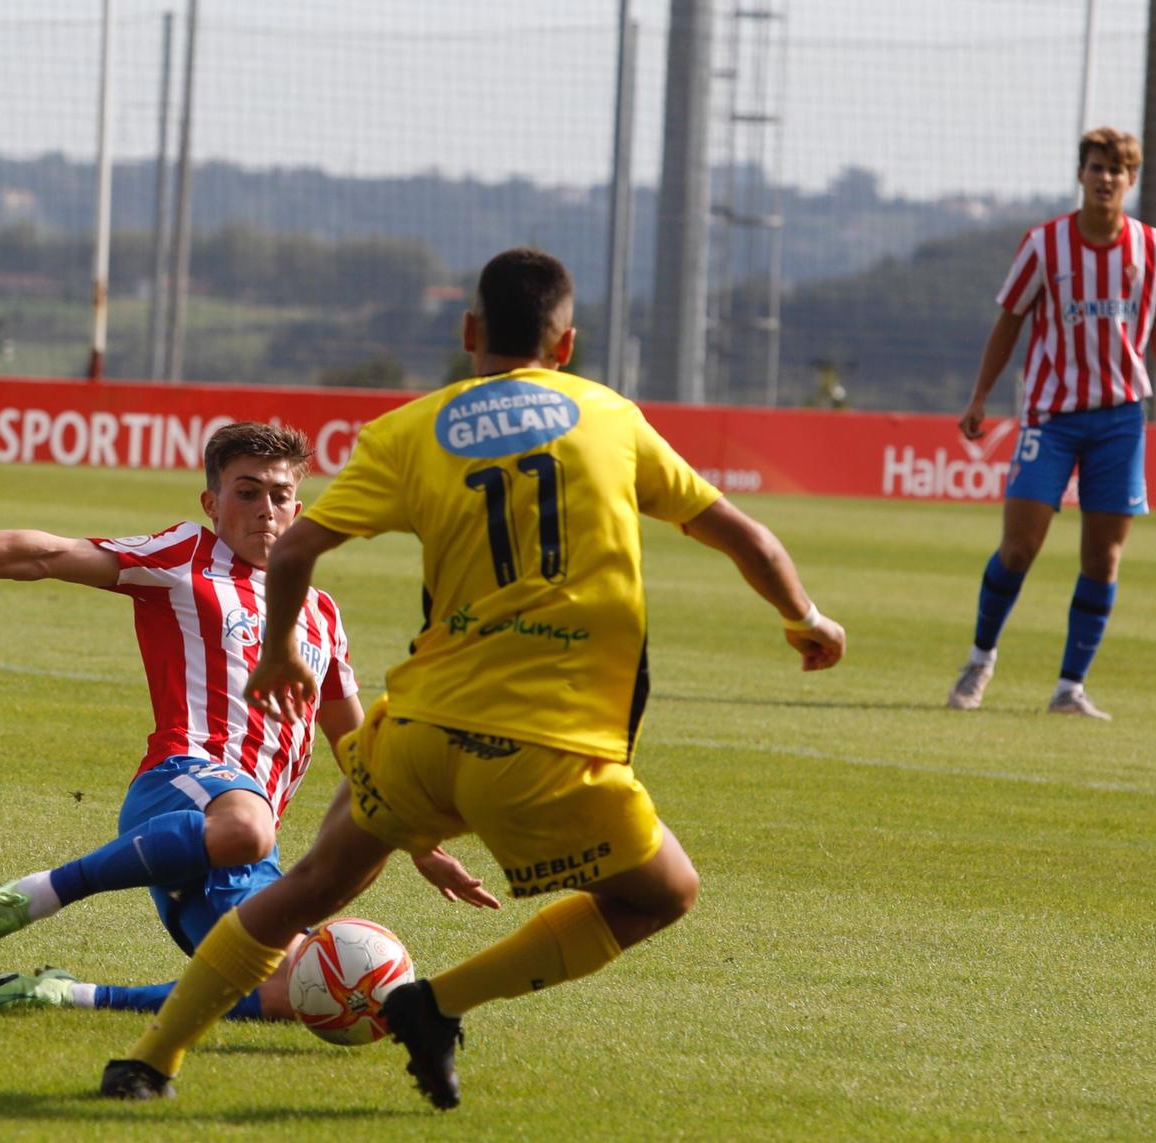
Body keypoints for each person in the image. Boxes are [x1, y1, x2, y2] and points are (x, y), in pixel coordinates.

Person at [95, 247, 847, 1108]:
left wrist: (275, 652)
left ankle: (150, 1061)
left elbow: (297, 547)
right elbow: (745, 535)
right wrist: (805, 619)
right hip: (551, 747)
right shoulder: (609, 416)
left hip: (416, 734)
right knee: (662, 893)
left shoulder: (411, 429)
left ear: (468, 333)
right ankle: (437, 1002)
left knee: (308, 885)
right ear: (566, 345)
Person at [0, 423, 497, 1021]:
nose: (263, 510)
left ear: (298, 509)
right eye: (246, 492)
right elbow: (47, 554)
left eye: (278, 495)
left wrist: (418, 844)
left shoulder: (320, 612)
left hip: (238, 848)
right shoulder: (184, 556)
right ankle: (35, 895)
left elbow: (361, 752)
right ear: (212, 504)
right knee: (246, 824)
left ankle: (68, 993)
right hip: (180, 784)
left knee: (298, 993)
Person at [948, 127, 1156, 720]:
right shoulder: (1045, 245)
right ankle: (980, 658)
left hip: (1119, 419)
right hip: (1051, 416)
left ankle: (1070, 687)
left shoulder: (1152, 248)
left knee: (1103, 557)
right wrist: (980, 396)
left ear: (1131, 180)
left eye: (1117, 169)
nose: (1105, 178)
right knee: (1019, 547)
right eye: (1096, 167)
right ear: (1081, 175)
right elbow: (1009, 320)